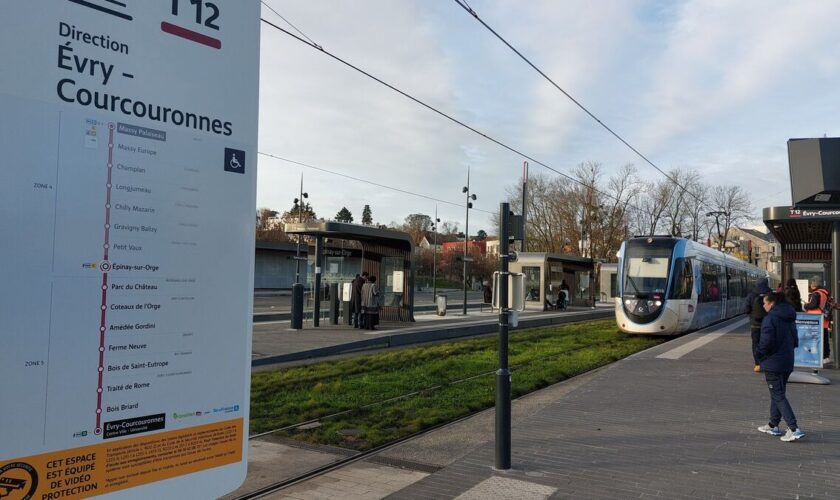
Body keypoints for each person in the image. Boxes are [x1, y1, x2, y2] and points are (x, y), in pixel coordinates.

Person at [755, 291, 804, 442]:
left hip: (773, 362)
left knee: (778, 395)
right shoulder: (789, 317)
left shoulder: (770, 319)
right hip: (787, 360)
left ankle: (793, 428)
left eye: (765, 303)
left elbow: (765, 342)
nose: (763, 306)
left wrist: (759, 355)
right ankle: (773, 425)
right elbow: (796, 340)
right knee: (777, 393)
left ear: (772, 303)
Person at [745, 277, 772, 372]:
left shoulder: (751, 295)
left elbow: (747, 309)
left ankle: (757, 364)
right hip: (768, 324)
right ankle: (767, 363)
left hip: (755, 324)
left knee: (755, 344)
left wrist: (752, 315)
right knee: (768, 343)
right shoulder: (771, 294)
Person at [803, 277, 831, 363]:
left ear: (814, 284)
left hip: (815, 319)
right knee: (824, 338)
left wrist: (806, 305)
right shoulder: (824, 293)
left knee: (815, 337)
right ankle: (826, 356)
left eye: (811, 283)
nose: (810, 285)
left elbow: (813, 305)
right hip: (823, 318)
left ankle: (818, 355)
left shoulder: (816, 293)